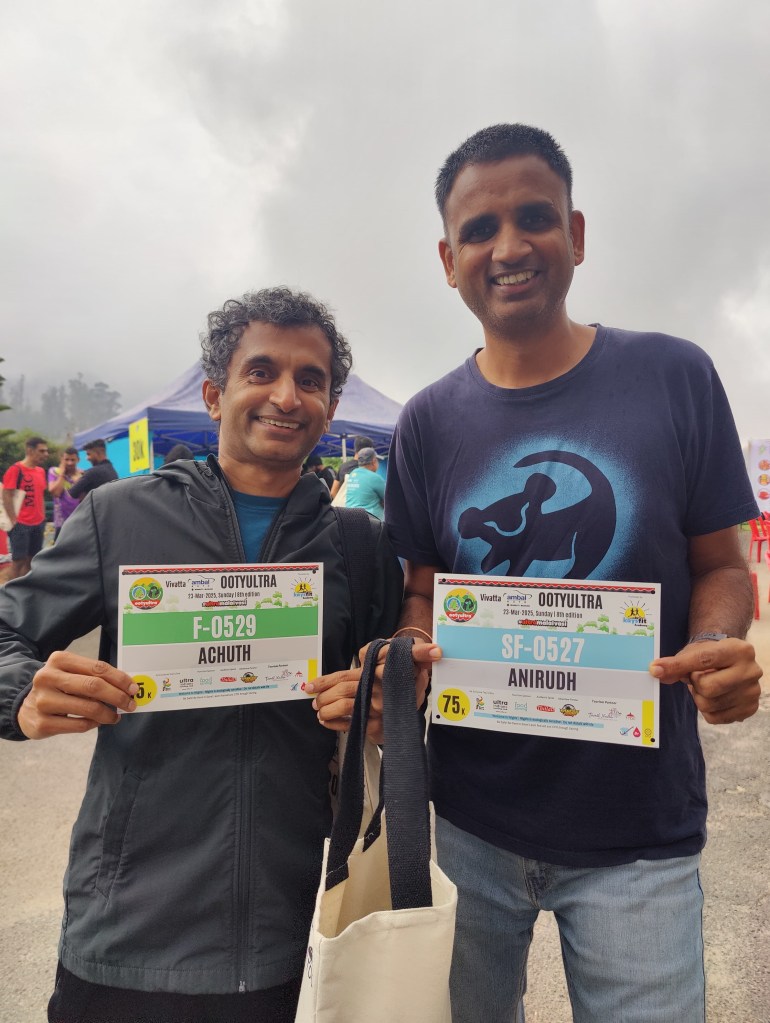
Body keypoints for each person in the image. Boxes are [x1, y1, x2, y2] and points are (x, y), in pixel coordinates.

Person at [380, 124, 762, 1022]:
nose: (508, 247)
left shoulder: (674, 375)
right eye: (479, 230)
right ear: (448, 259)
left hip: (640, 833)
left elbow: (723, 563)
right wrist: (409, 647)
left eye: (534, 218)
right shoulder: (427, 422)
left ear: (576, 235)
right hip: (468, 822)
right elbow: (423, 586)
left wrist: (716, 642)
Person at [0, 287, 403, 1023]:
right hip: (125, 927)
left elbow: (389, 691)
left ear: (331, 408)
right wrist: (21, 691)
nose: (286, 395)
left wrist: (383, 708)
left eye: (310, 379)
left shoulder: (360, 546)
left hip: (289, 932)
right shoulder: (120, 516)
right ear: (215, 395)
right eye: (262, 372)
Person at [2, 436, 49, 579]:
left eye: (46, 451)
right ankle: (10, 590)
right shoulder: (16, 470)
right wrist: (13, 520)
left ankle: (24, 588)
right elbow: (6, 494)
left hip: (38, 523)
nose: (46, 454)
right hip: (21, 523)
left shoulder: (40, 471)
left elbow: (40, 494)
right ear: (30, 450)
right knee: (18, 561)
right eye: (42, 451)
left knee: (32, 560)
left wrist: (43, 517)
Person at [48, 446, 83, 540]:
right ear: (61, 459)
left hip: (78, 521)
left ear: (78, 460)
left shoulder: (83, 475)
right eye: (66, 460)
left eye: (72, 460)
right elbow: (56, 493)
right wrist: (62, 474)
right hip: (61, 522)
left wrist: (78, 480)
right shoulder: (54, 471)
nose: (69, 463)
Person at [345, 446, 385, 520]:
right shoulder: (374, 477)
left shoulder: (352, 474)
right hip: (371, 521)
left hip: (350, 518)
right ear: (374, 461)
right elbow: (388, 498)